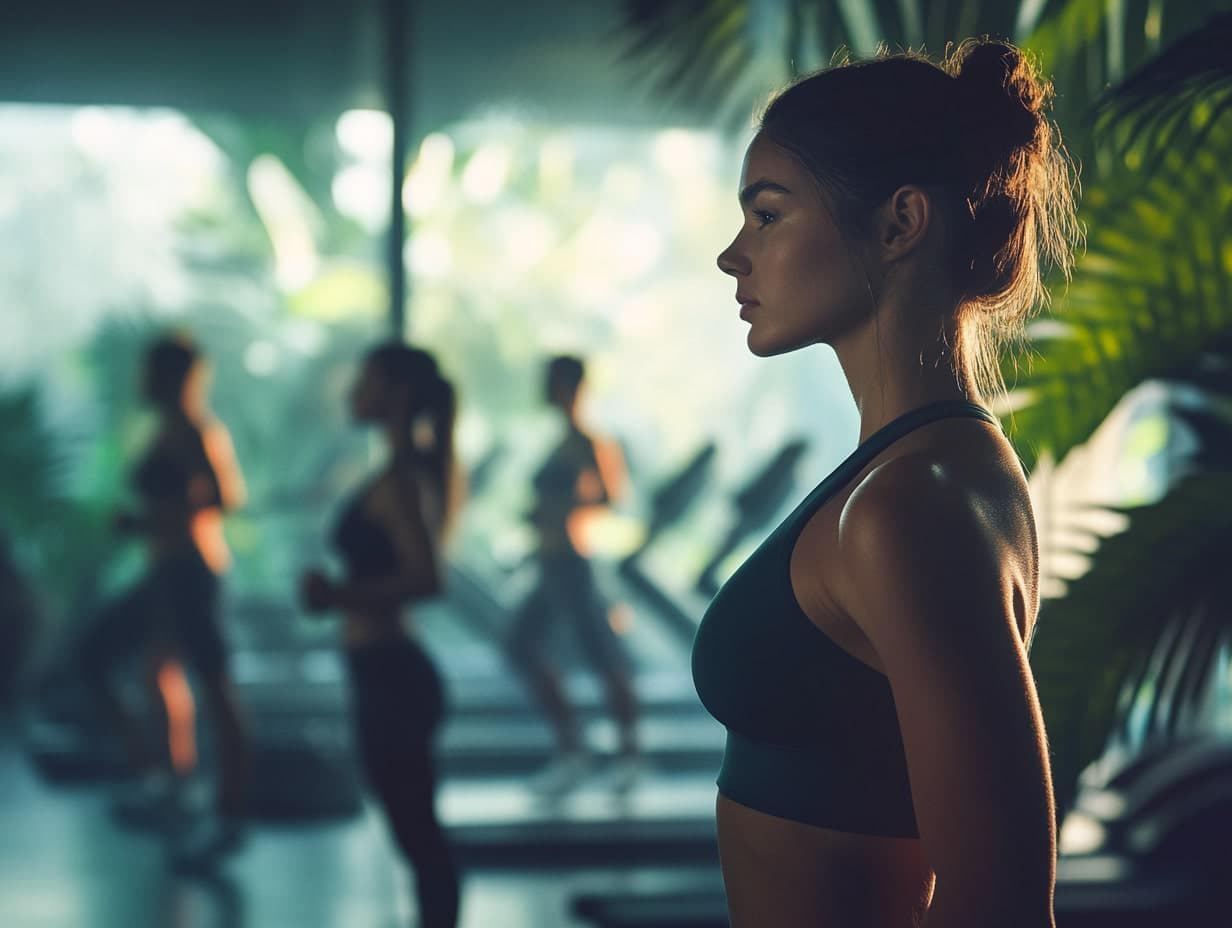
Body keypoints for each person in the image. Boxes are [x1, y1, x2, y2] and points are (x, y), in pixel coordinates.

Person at [692, 40, 1079, 927]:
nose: (732, 256)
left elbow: (1001, 906)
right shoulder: (918, 472)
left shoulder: (909, 504)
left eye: (767, 215)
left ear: (901, 223)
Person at [299, 342, 461, 928]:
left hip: (393, 673)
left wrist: (336, 596)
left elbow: (426, 579)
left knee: (419, 837)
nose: (352, 393)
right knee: (412, 833)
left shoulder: (403, 481)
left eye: (364, 381)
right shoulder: (395, 474)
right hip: (381, 669)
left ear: (396, 393)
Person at [79, 332, 248, 865]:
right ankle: (170, 782)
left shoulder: (197, 430)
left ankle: (230, 810)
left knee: (214, 688)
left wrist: (150, 521)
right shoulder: (167, 430)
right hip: (165, 571)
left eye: (151, 371)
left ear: (173, 376)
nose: (142, 381)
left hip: (191, 571)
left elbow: (225, 497)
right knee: (153, 672)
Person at [507, 355, 639, 794]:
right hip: (549, 562)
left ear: (568, 384)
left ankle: (627, 757)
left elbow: (610, 497)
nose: (544, 387)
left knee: (602, 657)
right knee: (522, 646)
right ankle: (573, 751)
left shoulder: (586, 441)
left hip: (570, 562)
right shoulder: (561, 440)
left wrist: (560, 509)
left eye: (551, 380)